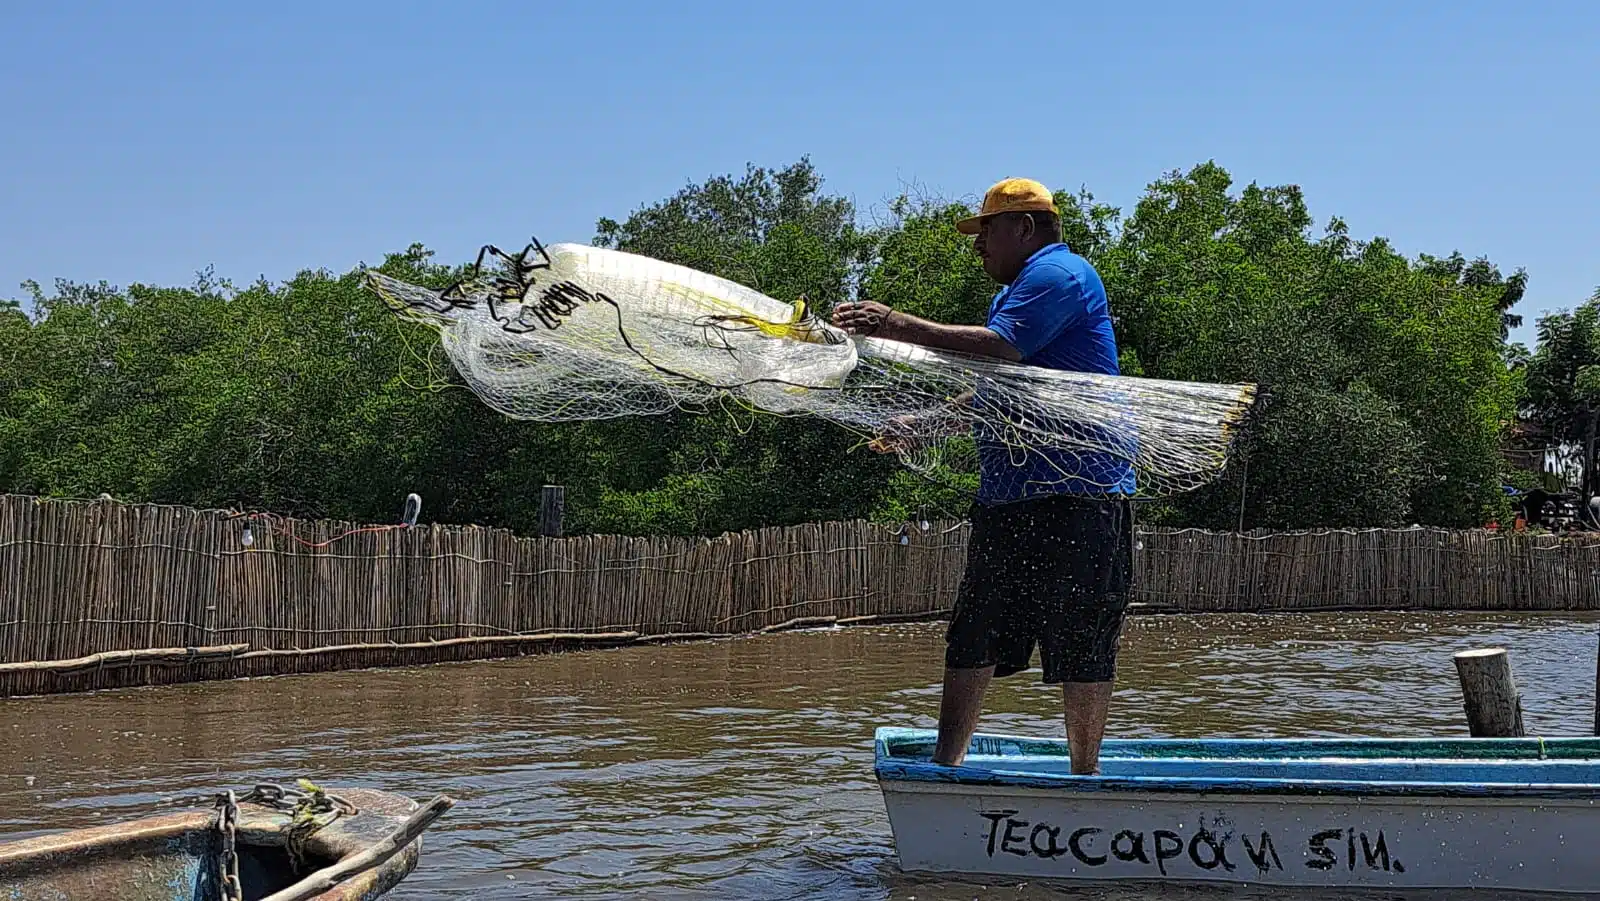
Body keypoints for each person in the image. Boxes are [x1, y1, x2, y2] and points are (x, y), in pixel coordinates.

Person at [831, 177, 1134, 775]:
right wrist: (926, 425)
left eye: (986, 232)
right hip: (1012, 495)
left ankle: (1084, 777)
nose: (979, 248)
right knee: (974, 631)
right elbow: (999, 393)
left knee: (1081, 639)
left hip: (1082, 493)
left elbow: (999, 349)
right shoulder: (1022, 288)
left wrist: (892, 322)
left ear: (1023, 228)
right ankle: (948, 767)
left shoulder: (1060, 277)